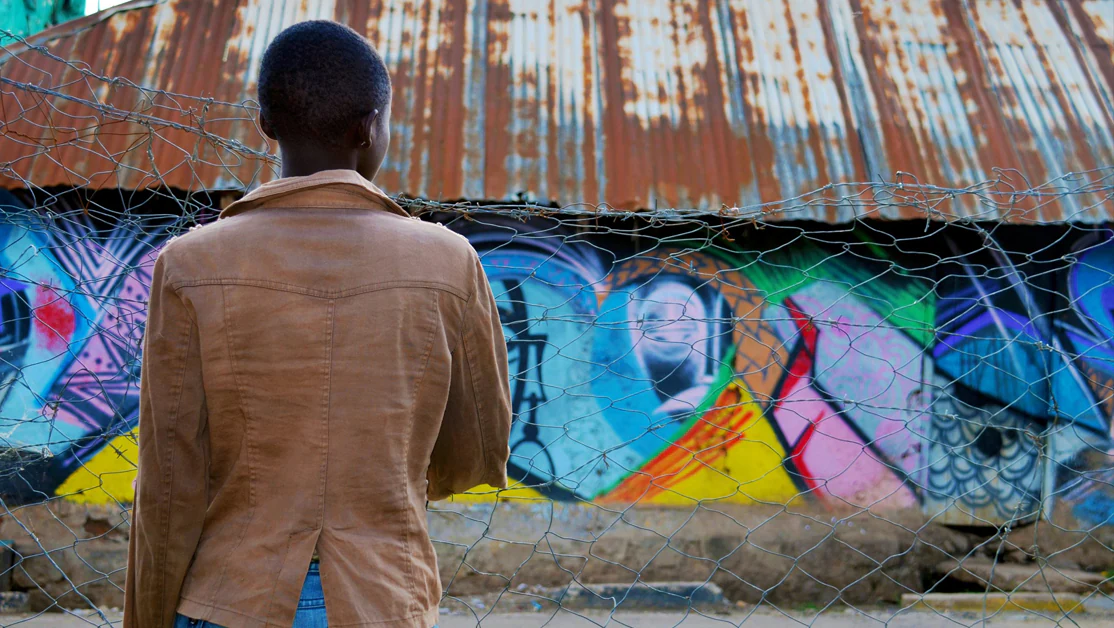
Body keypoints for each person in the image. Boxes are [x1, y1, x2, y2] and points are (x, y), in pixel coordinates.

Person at [123, 20, 512, 628]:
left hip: (231, 597)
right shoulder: (448, 261)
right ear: (370, 127)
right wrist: (389, 478)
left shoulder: (190, 264)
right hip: (381, 597)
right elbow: (477, 450)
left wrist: (148, 616)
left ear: (265, 123)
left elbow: (169, 480)